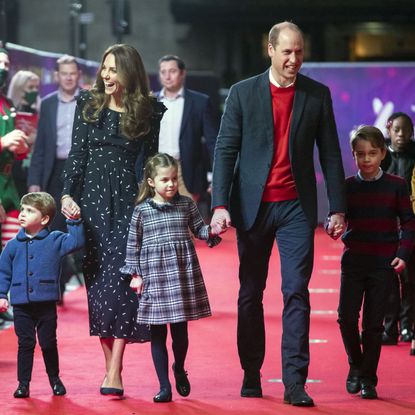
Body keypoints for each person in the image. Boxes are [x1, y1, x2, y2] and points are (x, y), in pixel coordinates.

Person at [210, 21, 346, 407]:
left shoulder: (317, 95)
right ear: (270, 50)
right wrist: (220, 204)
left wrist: (337, 207)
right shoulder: (242, 93)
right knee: (250, 293)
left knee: (295, 291)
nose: (294, 59)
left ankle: (294, 382)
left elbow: (331, 154)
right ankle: (251, 372)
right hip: (252, 207)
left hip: (296, 208)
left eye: (299, 51)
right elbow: (225, 151)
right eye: (287, 51)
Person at [60, 44, 166, 396]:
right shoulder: (88, 106)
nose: (106, 75)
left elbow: (150, 164)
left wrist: (155, 203)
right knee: (97, 284)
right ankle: (110, 368)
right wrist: (66, 195)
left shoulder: (147, 112)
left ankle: (115, 369)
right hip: (90, 202)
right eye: (104, 69)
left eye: (113, 70)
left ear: (129, 73)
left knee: (121, 282)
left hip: (127, 203)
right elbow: (77, 154)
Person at [120, 153, 221, 402]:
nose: (171, 184)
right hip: (154, 277)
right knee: (157, 334)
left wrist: (214, 230)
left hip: (180, 275)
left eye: (174, 179)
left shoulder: (186, 204)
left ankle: (179, 367)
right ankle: (164, 385)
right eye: (165, 179)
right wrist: (135, 274)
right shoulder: (141, 211)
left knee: (180, 333)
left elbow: (200, 230)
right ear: (151, 182)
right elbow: (133, 245)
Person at [337, 125, 415, 400]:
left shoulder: (396, 185)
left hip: (383, 262)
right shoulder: (347, 186)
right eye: (360, 154)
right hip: (353, 260)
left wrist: (403, 254)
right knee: (345, 318)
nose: (366, 159)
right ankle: (355, 366)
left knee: (373, 325)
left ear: (383, 153)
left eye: (372, 153)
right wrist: (333, 225)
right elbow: (336, 216)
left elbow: (408, 222)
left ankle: (368, 378)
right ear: (353, 156)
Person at [0, 191, 84, 398]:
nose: (22, 214)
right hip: (21, 305)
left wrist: (74, 221)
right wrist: (2, 294)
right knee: (25, 344)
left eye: (29, 211)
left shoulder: (55, 240)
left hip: (45, 304)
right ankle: (23, 384)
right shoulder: (11, 246)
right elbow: (3, 272)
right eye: (22, 209)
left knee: (48, 343)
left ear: (44, 218)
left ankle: (54, 379)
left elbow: (77, 242)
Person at [28, 55, 82, 300]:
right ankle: (58, 285)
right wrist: (34, 183)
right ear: (57, 76)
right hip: (54, 172)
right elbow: (39, 148)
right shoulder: (48, 104)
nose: (69, 77)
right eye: (64, 73)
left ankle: (88, 280)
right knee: (53, 232)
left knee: (85, 227)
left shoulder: (90, 101)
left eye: (73, 73)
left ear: (78, 75)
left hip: (83, 170)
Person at [156, 55, 218, 215]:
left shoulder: (200, 102)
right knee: (158, 226)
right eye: (163, 72)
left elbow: (213, 142)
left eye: (172, 71)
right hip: (156, 169)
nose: (167, 76)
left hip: (186, 171)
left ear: (182, 73)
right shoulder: (151, 102)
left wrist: (218, 176)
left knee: (186, 226)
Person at [381, 112, 415, 344]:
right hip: (385, 225)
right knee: (387, 280)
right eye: (397, 130)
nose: (402, 134)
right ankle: (389, 328)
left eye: (407, 130)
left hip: (411, 224)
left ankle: (407, 327)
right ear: (389, 130)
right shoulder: (380, 154)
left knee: (410, 279)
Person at [7, 70, 41, 198]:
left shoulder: (40, 111)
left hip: (33, 171)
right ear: (19, 89)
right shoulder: (8, 111)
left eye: (37, 87)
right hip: (12, 170)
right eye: (30, 87)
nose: (34, 91)